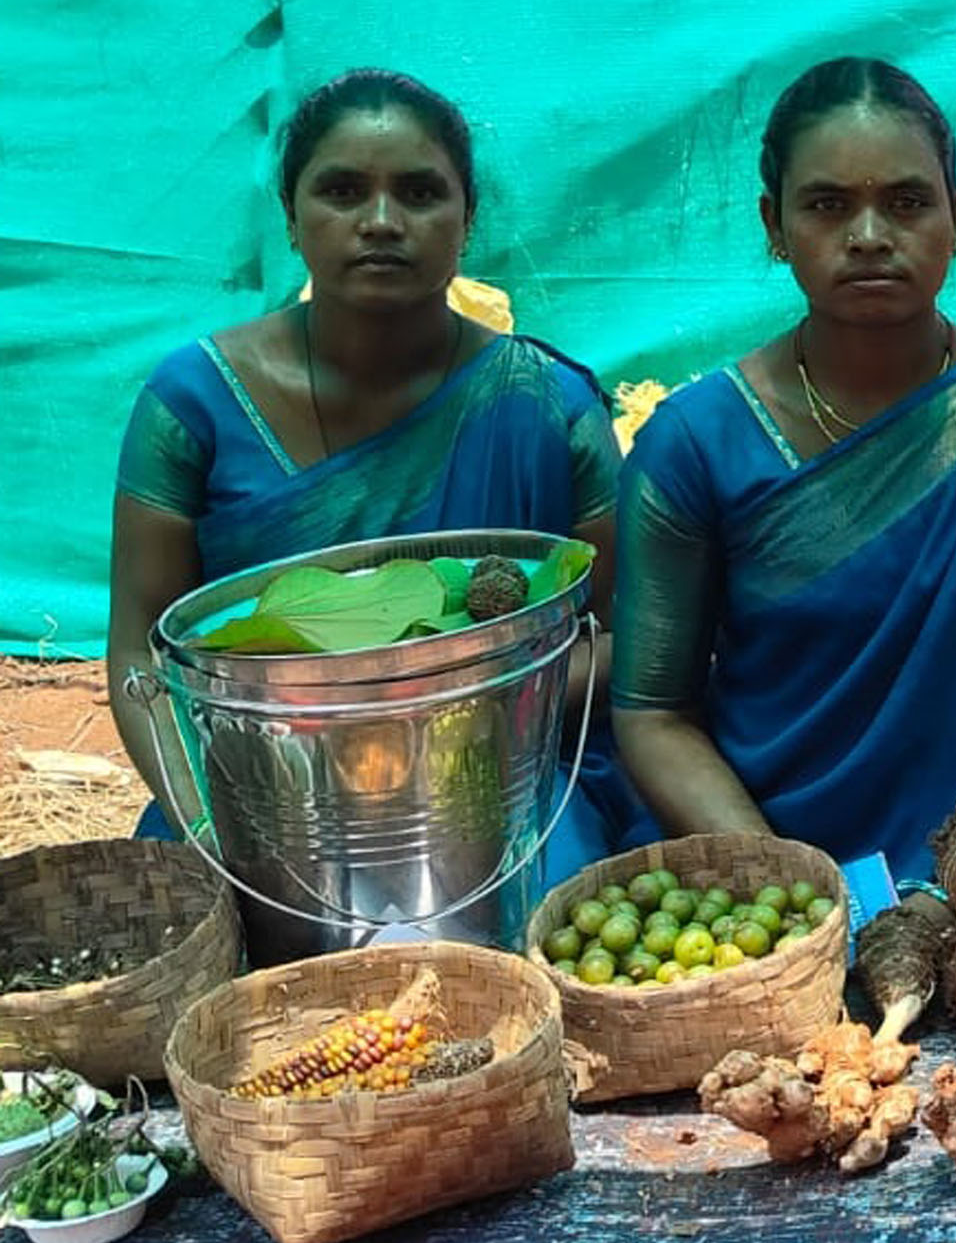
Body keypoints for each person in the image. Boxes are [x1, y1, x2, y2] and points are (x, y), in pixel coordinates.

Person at [107, 68, 650, 885]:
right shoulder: (195, 407)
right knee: (196, 942)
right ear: (292, 217)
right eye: (343, 191)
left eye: (421, 193)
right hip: (264, 783)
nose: (383, 221)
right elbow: (139, 652)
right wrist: (211, 819)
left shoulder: (544, 409)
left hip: (499, 781)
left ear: (466, 221)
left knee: (537, 912)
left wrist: (452, 704)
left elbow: (623, 640)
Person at [610, 57, 956, 881]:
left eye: (907, 202)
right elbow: (653, 711)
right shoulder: (697, 442)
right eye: (828, 205)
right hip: (752, 878)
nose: (870, 235)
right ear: (773, 225)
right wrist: (786, 883)